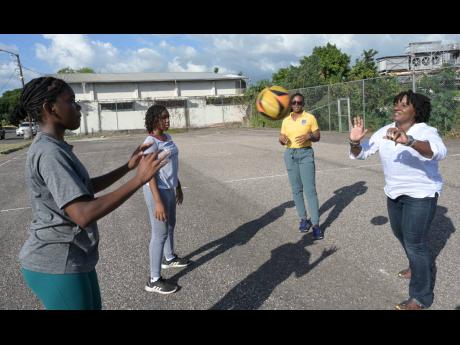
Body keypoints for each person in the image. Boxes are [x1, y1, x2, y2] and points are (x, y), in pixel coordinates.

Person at [17, 77, 167, 310]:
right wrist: (139, 180)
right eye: (71, 101)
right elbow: (83, 214)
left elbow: (84, 188)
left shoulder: (56, 146)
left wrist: (128, 168)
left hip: (75, 257)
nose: (78, 108)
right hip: (56, 260)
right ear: (50, 108)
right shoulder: (49, 152)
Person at [349, 90, 447, 310]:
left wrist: (409, 141)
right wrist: (354, 142)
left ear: (416, 110)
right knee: (400, 233)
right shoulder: (385, 130)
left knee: (415, 243)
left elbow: (438, 152)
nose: (397, 107)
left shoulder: (426, 131)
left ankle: (420, 297)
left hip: (421, 194)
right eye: (396, 103)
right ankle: (416, 265)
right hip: (394, 193)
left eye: (404, 104)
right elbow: (362, 153)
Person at [142, 104, 189, 294]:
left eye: (168, 117)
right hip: (156, 191)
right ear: (154, 120)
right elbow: (149, 174)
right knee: (159, 232)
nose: (168, 120)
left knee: (170, 225)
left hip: (169, 188)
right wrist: (158, 202)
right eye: (163, 117)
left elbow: (170, 165)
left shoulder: (167, 137)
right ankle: (154, 280)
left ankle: (169, 258)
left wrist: (177, 185)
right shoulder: (150, 142)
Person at [279, 92, 322, 240]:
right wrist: (281, 139)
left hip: (305, 154)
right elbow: (281, 137)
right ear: (290, 105)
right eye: (294, 103)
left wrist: (309, 136)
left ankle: (316, 224)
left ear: (303, 104)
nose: (296, 105)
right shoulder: (285, 121)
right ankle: (303, 219)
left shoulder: (309, 118)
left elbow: (317, 136)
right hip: (290, 155)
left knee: (310, 190)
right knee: (296, 190)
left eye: (299, 103)